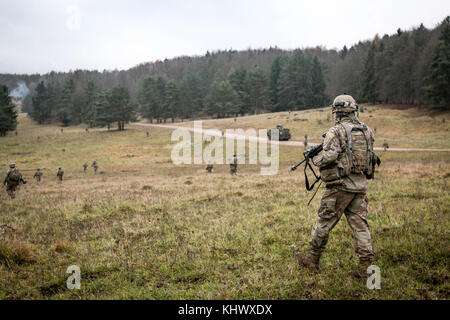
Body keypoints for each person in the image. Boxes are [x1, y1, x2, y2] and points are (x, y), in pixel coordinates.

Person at [295, 94, 375, 279]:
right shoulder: (366, 130)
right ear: (354, 110)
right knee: (360, 226)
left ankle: (312, 260)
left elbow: (330, 156)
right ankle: (366, 267)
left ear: (336, 112)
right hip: (360, 186)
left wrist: (314, 159)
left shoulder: (336, 131)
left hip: (339, 187)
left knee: (323, 223)